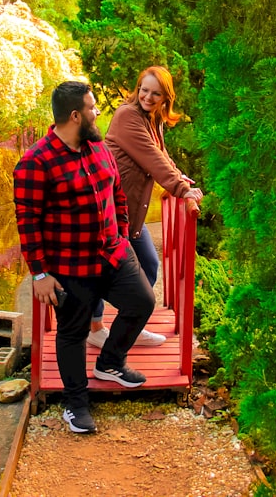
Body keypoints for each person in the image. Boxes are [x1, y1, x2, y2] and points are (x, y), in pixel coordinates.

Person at [14, 80, 156, 434]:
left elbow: (117, 193)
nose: (98, 113)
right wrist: (39, 274)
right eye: (93, 108)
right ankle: (75, 404)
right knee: (72, 333)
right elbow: (27, 223)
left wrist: (121, 234)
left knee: (142, 302)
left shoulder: (99, 148)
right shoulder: (35, 162)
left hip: (112, 255)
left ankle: (110, 363)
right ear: (75, 115)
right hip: (69, 266)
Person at [87, 66, 203, 349]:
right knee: (102, 270)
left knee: (149, 264)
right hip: (109, 211)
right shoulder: (127, 115)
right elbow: (151, 158)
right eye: (144, 90)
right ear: (137, 88)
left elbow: (161, 155)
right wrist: (181, 188)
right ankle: (95, 328)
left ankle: (131, 323)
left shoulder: (152, 119)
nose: (148, 96)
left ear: (166, 97)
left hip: (130, 214)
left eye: (156, 93)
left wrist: (179, 175)